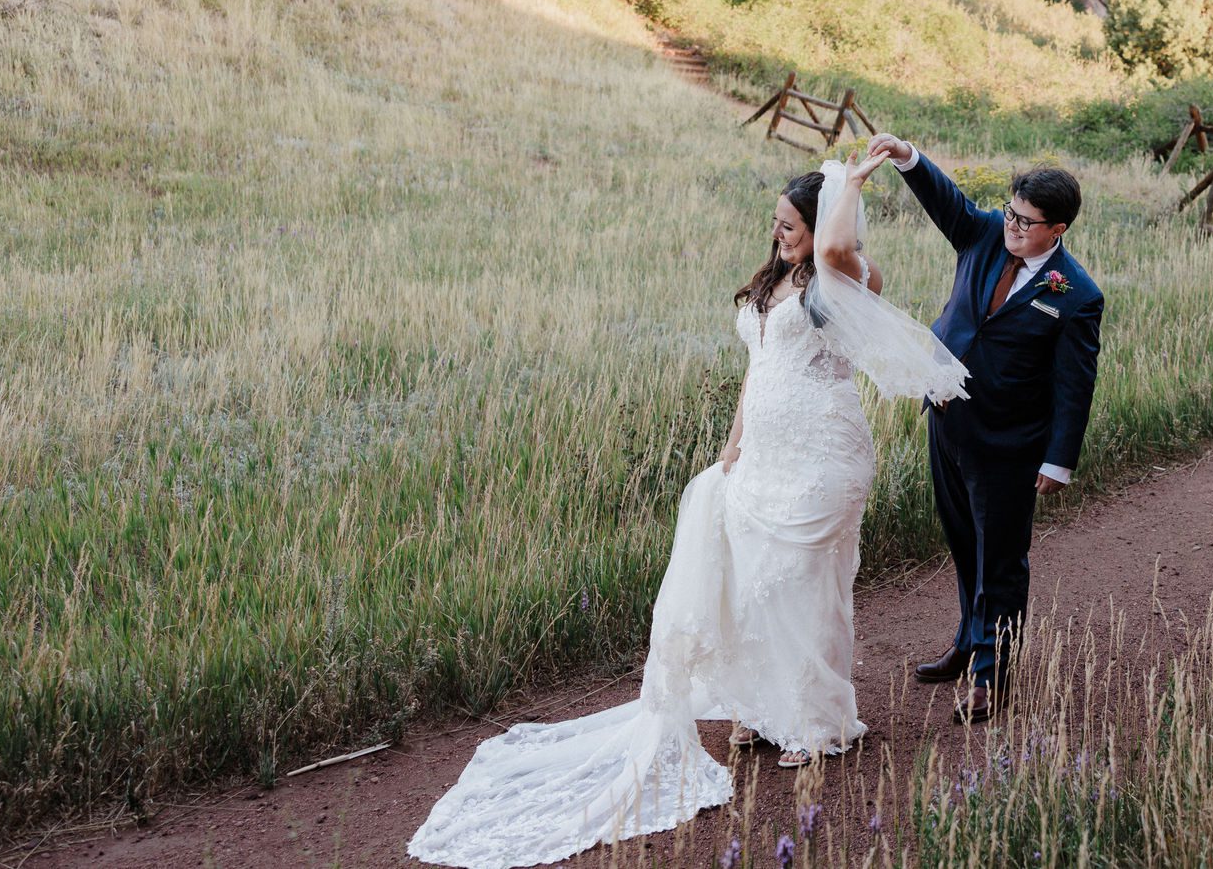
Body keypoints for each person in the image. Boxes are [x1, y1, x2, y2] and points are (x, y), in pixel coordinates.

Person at [408, 152, 965, 868]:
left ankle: (816, 722)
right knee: (752, 581)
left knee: (803, 582)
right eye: (777, 224)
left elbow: (831, 246)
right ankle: (765, 710)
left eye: (792, 224)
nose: (781, 234)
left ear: (823, 224)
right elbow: (758, 368)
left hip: (824, 457)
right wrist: (733, 444)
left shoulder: (845, 277)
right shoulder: (771, 284)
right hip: (764, 453)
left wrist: (848, 185)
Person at [866, 133, 1104, 724]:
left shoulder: (1075, 296)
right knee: (964, 546)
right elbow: (947, 200)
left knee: (1000, 560)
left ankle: (991, 679)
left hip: (1008, 445)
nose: (1014, 227)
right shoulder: (982, 235)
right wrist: (907, 158)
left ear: (1059, 230)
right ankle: (971, 641)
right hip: (947, 421)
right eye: (1011, 212)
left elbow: (1074, 385)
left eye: (1028, 222)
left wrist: (1058, 459)